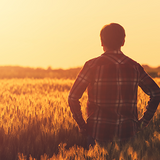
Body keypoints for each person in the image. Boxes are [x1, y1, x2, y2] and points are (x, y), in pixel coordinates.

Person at [68, 23, 160, 148]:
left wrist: (83, 126)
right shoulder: (135, 67)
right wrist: (143, 123)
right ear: (123, 41)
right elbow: (156, 93)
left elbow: (73, 97)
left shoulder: (91, 66)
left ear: (101, 42)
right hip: (128, 132)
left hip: (97, 132)